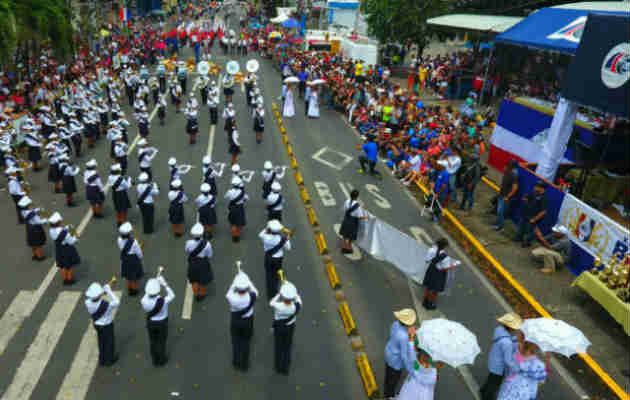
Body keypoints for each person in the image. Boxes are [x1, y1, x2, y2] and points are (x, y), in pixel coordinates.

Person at [480, 313, 522, 400]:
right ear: (511, 327)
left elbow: (507, 339)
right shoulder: (507, 343)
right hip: (499, 367)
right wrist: (516, 368)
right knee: (494, 384)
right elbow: (508, 360)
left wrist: (515, 340)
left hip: (493, 361)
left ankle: (483, 391)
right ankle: (486, 397)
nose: (516, 329)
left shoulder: (499, 330)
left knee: (490, 379)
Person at [226, 268, 259, 371]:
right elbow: (255, 291)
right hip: (247, 321)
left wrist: (236, 279)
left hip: (235, 321)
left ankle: (236, 361)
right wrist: (246, 279)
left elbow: (229, 291)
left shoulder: (232, 297)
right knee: (246, 342)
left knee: (236, 342)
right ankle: (244, 364)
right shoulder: (251, 296)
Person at [141, 274, 175, 367]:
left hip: (151, 323)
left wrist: (154, 284)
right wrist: (164, 283)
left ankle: (155, 359)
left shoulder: (144, 301)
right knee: (161, 341)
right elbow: (172, 295)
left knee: (153, 341)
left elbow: (146, 294)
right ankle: (161, 359)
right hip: (162, 323)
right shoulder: (163, 301)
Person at [270, 279, 302, 375]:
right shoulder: (296, 306)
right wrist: (291, 290)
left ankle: (278, 366)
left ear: (283, 297)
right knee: (287, 347)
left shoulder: (278, 306)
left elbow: (271, 302)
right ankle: (285, 368)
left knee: (278, 346)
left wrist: (280, 293)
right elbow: (298, 298)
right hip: (290, 327)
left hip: (279, 327)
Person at [384, 308, 417, 398]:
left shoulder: (395, 324)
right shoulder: (404, 337)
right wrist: (411, 369)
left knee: (388, 376)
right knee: (393, 380)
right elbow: (404, 356)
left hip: (389, 353)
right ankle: (390, 396)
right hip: (396, 361)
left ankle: (387, 392)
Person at [85, 282, 120, 367]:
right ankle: (109, 360)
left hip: (97, 324)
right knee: (109, 342)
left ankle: (102, 359)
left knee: (101, 341)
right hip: (106, 325)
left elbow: (95, 298)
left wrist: (102, 293)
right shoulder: (106, 305)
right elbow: (117, 301)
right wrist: (109, 290)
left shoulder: (87, 302)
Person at [259, 220, 291, 300]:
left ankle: (270, 294)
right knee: (276, 275)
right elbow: (288, 248)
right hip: (278, 259)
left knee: (269, 276)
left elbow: (260, 234)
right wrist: (287, 238)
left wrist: (268, 228)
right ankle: (275, 290)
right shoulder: (282, 238)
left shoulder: (265, 237)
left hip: (268, 258)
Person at [422, 238, 454, 310]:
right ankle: (430, 303)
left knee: (429, 286)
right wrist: (452, 266)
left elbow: (427, 260)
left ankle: (425, 301)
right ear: (445, 246)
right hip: (439, 274)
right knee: (435, 290)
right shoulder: (446, 257)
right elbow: (446, 268)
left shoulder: (431, 250)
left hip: (431, 270)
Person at [48, 212, 80, 285]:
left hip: (59, 249)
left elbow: (58, 233)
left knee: (62, 265)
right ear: (59, 222)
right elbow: (71, 241)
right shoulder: (65, 232)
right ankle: (70, 279)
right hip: (67, 249)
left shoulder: (51, 230)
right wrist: (76, 238)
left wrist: (65, 228)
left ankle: (65, 279)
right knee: (69, 266)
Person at [185, 223, 214, 302]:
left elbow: (187, 251)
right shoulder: (207, 244)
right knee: (203, 281)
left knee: (194, 280)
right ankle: (202, 294)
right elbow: (210, 255)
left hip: (193, 262)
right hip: (203, 263)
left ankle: (196, 295)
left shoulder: (188, 242)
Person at [514, 182, 547, 248]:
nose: (536, 187)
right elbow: (525, 197)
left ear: (542, 189)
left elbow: (543, 212)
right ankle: (518, 238)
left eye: (538, 186)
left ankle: (526, 243)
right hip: (526, 215)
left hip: (533, 217)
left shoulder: (543, 198)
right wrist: (525, 199)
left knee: (529, 231)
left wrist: (534, 219)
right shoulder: (534, 193)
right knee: (521, 227)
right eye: (536, 186)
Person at [118, 222, 144, 296]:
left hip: (125, 259)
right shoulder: (134, 242)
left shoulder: (119, 239)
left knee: (128, 276)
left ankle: (129, 288)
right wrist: (140, 257)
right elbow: (139, 252)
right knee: (135, 277)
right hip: (133, 259)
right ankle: (134, 290)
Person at [339, 189, 369, 254]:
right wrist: (366, 217)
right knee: (351, 237)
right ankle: (349, 248)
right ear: (357, 197)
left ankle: (343, 247)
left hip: (346, 219)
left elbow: (344, 209)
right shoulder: (357, 206)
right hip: (353, 222)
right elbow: (360, 216)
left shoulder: (347, 201)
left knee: (345, 234)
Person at [18, 196, 47, 261]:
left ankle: (34, 255)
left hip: (29, 228)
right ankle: (40, 256)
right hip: (36, 229)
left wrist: (37, 209)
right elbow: (38, 221)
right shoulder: (33, 215)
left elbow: (31, 212)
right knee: (38, 244)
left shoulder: (23, 211)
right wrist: (45, 220)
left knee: (33, 243)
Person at [494, 160, 518, 231]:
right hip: (501, 194)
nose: (506, 167)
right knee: (499, 211)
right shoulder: (506, 173)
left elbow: (515, 188)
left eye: (508, 165)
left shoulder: (514, 176)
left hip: (505, 197)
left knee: (500, 212)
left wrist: (508, 197)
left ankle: (500, 226)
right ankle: (498, 223)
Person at [225, 176, 249, 242]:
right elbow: (246, 198)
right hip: (240, 208)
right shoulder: (242, 192)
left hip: (232, 207)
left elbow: (226, 197)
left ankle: (234, 236)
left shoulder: (229, 191)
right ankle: (238, 235)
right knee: (239, 223)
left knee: (233, 223)